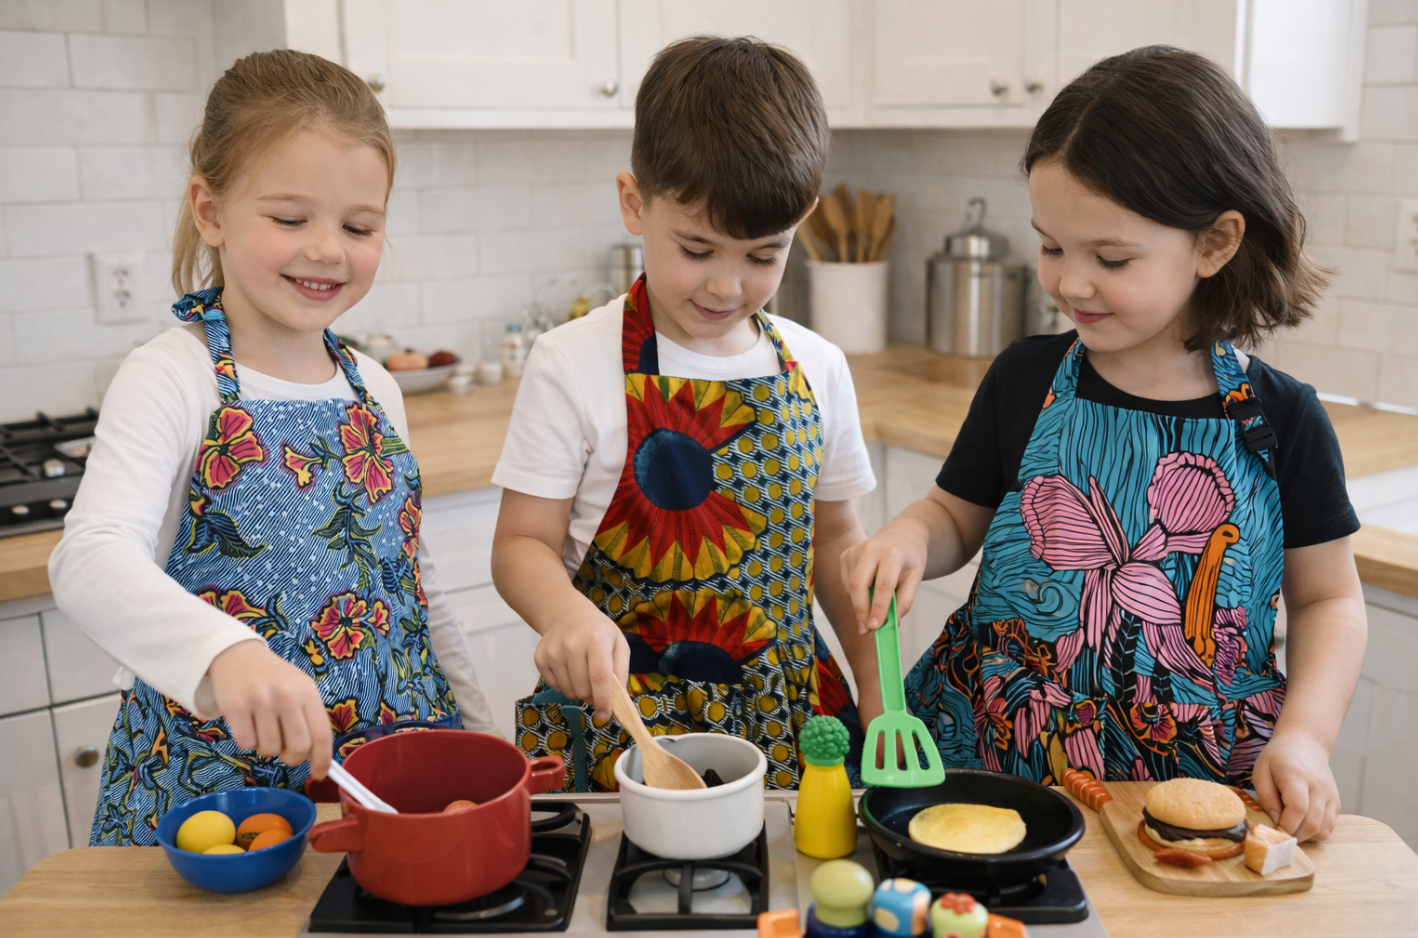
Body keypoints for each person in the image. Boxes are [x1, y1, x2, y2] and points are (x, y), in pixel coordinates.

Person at [841, 46, 1366, 844]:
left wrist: (1306, 737)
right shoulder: (1027, 378)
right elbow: (955, 512)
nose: (1070, 283)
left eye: (1110, 258)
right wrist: (911, 534)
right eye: (1052, 246)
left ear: (1215, 243)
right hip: (997, 751)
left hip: (1197, 776)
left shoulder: (1281, 418)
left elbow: (1330, 600)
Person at [49, 50, 496, 846]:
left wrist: (484, 741)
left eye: (359, 226)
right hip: (218, 803)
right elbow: (88, 558)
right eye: (291, 219)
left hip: (385, 788)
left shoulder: (374, 387)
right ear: (211, 211)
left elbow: (416, 591)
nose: (327, 248)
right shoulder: (174, 376)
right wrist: (225, 653)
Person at [491, 36, 880, 791]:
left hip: (791, 721)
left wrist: (877, 688)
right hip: (625, 723)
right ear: (635, 203)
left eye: (763, 256)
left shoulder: (819, 367)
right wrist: (564, 617)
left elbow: (836, 540)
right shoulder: (571, 362)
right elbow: (520, 546)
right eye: (697, 249)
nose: (727, 285)